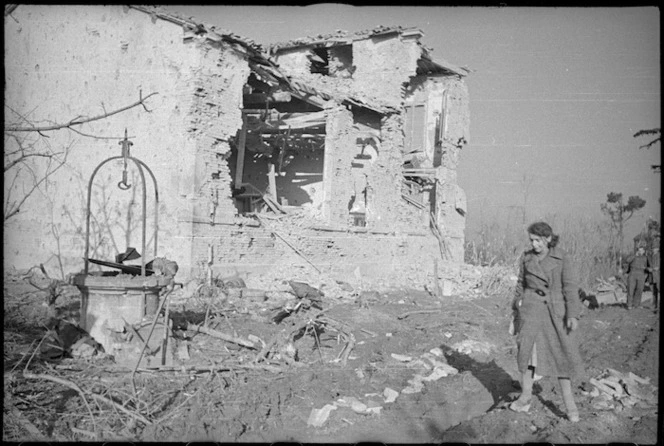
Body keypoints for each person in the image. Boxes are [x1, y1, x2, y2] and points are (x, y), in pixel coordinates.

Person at [509, 221, 584, 422]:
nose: (534, 244)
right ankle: (525, 397)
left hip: (554, 314)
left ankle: (570, 407)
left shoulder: (562, 258)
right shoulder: (526, 259)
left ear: (548, 239)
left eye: (538, 240)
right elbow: (520, 284)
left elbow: (570, 287)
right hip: (531, 312)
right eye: (532, 240)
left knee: (561, 358)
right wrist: (517, 305)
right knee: (527, 355)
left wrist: (572, 315)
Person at [624, 245, 650, 310]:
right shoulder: (633, 256)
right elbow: (627, 260)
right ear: (637, 251)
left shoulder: (646, 258)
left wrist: (646, 273)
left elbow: (649, 267)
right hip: (632, 273)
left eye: (641, 250)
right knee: (630, 289)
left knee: (639, 289)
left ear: (644, 251)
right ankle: (629, 305)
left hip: (641, 274)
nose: (640, 252)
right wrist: (635, 255)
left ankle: (637, 304)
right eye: (639, 250)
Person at [648, 245, 660, 312]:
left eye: (655, 248)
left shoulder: (659, 256)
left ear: (658, 249)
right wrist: (648, 269)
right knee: (653, 292)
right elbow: (646, 265)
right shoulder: (649, 256)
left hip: (658, 276)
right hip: (651, 277)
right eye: (652, 248)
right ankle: (654, 307)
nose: (653, 249)